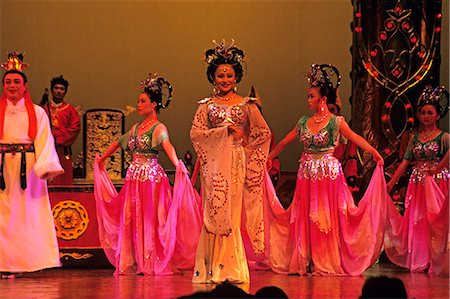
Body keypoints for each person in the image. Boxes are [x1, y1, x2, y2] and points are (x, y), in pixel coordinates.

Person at [267, 64, 386, 276]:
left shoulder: (334, 122)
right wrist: (270, 156)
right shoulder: (304, 122)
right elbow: (285, 141)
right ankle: (307, 259)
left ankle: (326, 260)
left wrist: (374, 151)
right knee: (305, 214)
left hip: (327, 175)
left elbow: (355, 138)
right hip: (307, 175)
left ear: (323, 99)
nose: (308, 100)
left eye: (311, 96)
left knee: (325, 216)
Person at [94, 74, 201, 275]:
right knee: (132, 217)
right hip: (134, 179)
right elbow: (118, 141)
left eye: (143, 101)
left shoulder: (159, 128)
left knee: (152, 218)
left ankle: (151, 258)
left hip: (151, 180)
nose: (138, 105)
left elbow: (167, 145)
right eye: (138, 101)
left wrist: (177, 163)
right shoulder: (136, 128)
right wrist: (102, 159)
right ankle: (134, 259)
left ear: (154, 104)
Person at [190, 40, 271, 283]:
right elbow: (196, 134)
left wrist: (243, 137)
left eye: (229, 75)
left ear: (237, 77)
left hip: (236, 163)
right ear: (212, 78)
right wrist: (221, 134)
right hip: (214, 167)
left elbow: (262, 134)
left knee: (232, 214)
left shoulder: (247, 105)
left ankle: (230, 269)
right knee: (213, 210)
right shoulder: (206, 106)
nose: (225, 79)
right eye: (220, 75)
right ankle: (209, 268)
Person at [0, 52, 64, 278]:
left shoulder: (37, 113)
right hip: (3, 170)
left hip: (28, 170)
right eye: (8, 82)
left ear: (25, 85)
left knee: (27, 216)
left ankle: (26, 262)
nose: (12, 86)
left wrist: (46, 167)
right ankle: (4, 263)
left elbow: (44, 141)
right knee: (3, 217)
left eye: (17, 81)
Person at [385, 85, 449, 275]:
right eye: (423, 112)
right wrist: (390, 183)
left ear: (438, 115)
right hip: (418, 185)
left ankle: (437, 259)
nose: (426, 116)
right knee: (418, 221)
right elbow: (405, 162)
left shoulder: (444, 137)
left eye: (430, 112)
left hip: (437, 183)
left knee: (436, 220)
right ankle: (421, 259)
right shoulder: (414, 139)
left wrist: (437, 169)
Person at [40, 75, 80, 185]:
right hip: (47, 149)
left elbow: (74, 129)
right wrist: (48, 137)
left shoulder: (70, 110)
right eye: (56, 88)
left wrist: (56, 136)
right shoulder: (43, 109)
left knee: (63, 180)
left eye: (62, 89)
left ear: (65, 92)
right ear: (52, 90)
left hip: (63, 150)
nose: (59, 91)